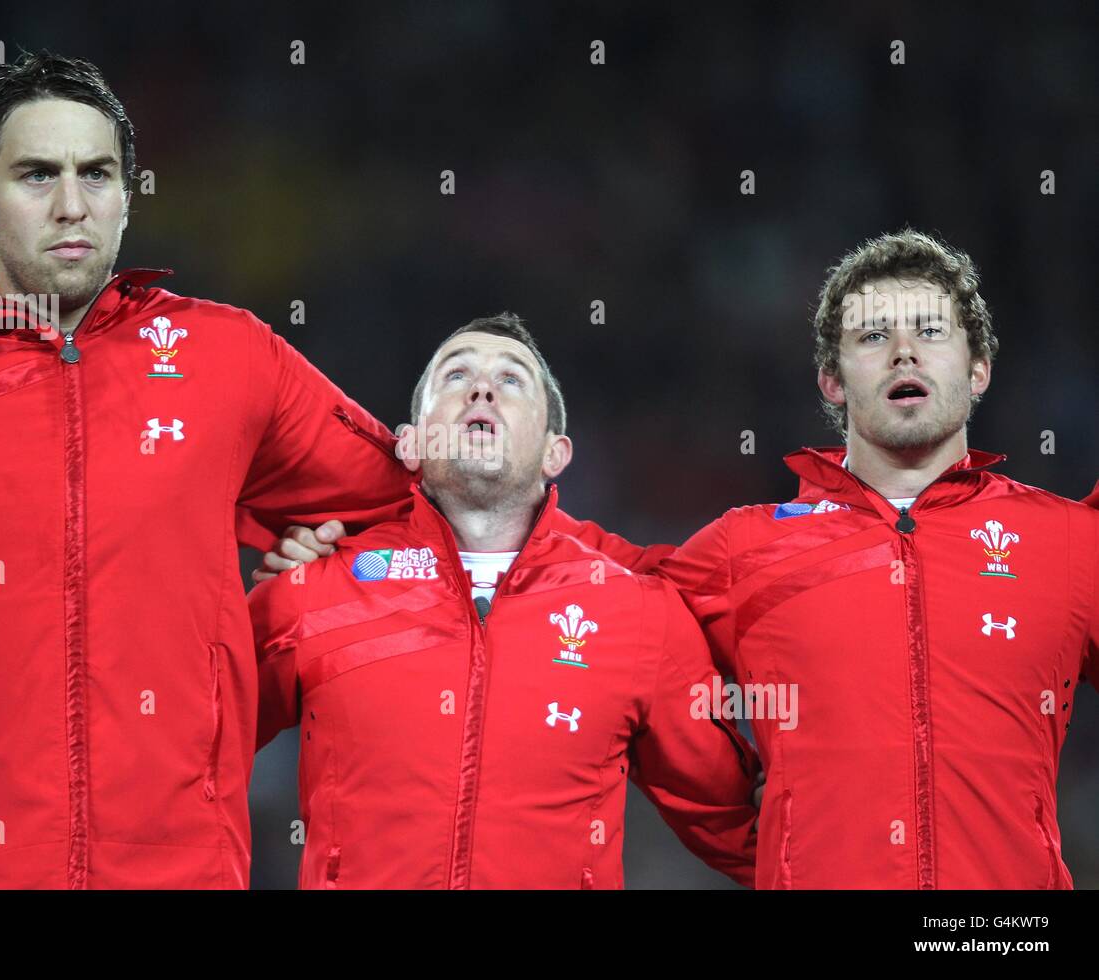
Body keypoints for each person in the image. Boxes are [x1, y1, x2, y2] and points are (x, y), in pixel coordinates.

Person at [252, 230, 1099, 889]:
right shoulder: (742, 551)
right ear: (832, 380)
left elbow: (717, 800)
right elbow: (193, 721)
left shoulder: (1070, 544)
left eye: (930, 333)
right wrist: (357, 543)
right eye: (873, 335)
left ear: (980, 366)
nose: (904, 352)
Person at [0, 50, 414, 889]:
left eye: (97, 174)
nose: (70, 205)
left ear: (129, 197)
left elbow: (406, 509)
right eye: (35, 175)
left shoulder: (231, 356)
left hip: (181, 868)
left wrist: (301, 601)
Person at [247, 315, 761, 888]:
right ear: (411, 444)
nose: (482, 388)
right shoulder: (318, 588)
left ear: (554, 453)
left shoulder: (638, 611)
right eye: (456, 374)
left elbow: (743, 831)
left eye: (512, 380)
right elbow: (188, 738)